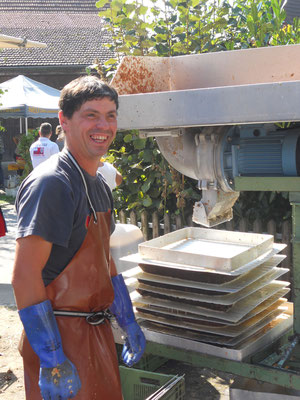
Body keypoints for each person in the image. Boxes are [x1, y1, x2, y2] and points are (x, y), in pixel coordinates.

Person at [12, 75, 146, 400]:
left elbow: (103, 258)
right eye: (91, 115)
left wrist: (127, 320)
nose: (104, 125)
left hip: (95, 334)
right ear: (64, 121)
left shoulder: (99, 184)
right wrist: (52, 356)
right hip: (60, 336)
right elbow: (24, 275)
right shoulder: (52, 184)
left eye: (110, 115)